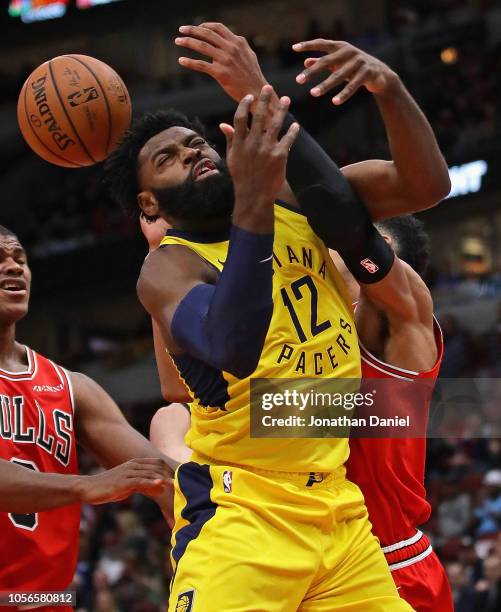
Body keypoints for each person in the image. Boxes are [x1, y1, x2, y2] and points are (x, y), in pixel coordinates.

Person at [0, 225, 175, 611]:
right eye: (0, 260)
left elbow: (161, 478)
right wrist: (86, 486)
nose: (13, 267)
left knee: (173, 420)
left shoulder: (71, 386)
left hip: (45, 601)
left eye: (20, 259)